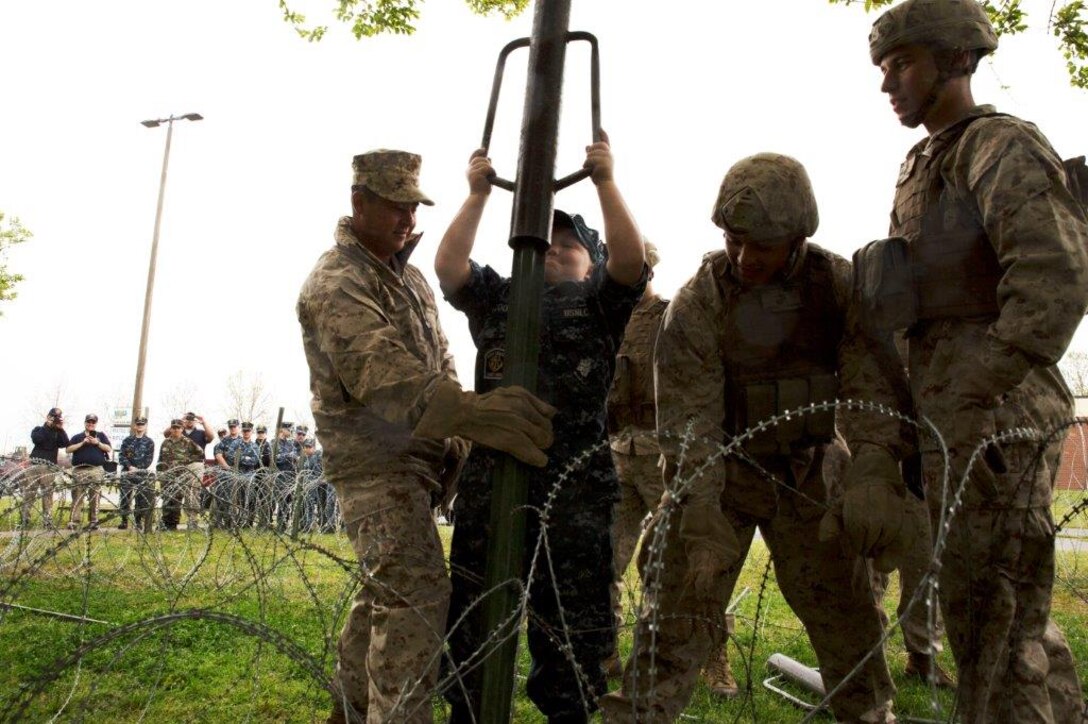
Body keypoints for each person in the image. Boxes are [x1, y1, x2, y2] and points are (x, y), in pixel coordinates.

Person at [601, 153, 915, 723]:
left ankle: (868, 714)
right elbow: (689, 418)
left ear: (797, 238)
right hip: (719, 475)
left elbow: (871, 379)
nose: (745, 258)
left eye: (762, 245)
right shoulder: (700, 301)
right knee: (674, 619)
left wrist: (874, 465)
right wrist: (698, 512)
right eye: (733, 239)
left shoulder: (836, 286)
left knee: (847, 620)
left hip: (810, 470)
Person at [861, 1, 1088, 719]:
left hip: (996, 410)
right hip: (952, 408)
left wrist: (976, 391)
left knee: (991, 613)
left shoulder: (996, 144)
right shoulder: (930, 158)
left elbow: (1053, 275)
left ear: (956, 60)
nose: (887, 83)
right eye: (883, 67)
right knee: (1005, 612)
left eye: (902, 64)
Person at [296, 148, 555, 724]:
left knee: (385, 591)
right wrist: (475, 416)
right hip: (373, 464)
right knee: (414, 594)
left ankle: (349, 708)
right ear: (358, 202)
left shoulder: (409, 278)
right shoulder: (337, 280)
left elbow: (440, 359)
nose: (407, 219)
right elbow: (381, 375)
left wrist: (455, 440)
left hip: (419, 458)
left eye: (412, 207)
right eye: (394, 206)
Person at [436, 134, 646, 723]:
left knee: (571, 630)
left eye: (569, 245)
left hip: (573, 491)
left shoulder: (600, 303)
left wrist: (606, 181)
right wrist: (476, 195)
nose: (552, 250)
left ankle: (568, 712)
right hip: (492, 485)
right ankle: (471, 712)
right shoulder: (500, 297)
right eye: (543, 242)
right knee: (475, 617)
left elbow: (630, 263)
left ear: (591, 261)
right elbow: (450, 268)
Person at [602, 240, 738, 696]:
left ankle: (713, 657)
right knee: (606, 556)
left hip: (664, 453)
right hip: (619, 451)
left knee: (674, 563)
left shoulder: (669, 314)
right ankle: (604, 653)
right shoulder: (609, 319)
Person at [22, 407, 69, 529]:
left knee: (47, 494)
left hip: (49, 467)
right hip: (34, 465)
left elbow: (65, 443)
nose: (54, 419)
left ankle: (47, 520)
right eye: (52, 417)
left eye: (56, 417)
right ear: (48, 416)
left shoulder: (58, 433)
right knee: (29, 492)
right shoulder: (38, 429)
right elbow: (37, 439)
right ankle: (24, 518)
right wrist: (46, 425)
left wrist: (61, 428)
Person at [65, 414, 112, 531]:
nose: (90, 424)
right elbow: (68, 449)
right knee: (77, 495)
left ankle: (94, 521)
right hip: (79, 469)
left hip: (96, 469)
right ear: (85, 423)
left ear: (95, 424)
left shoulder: (100, 436)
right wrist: (82, 443)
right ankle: (74, 521)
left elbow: (108, 448)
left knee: (95, 495)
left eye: (93, 422)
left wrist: (97, 443)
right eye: (88, 422)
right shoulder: (77, 437)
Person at [159, 419, 202, 531]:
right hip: (167, 474)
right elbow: (160, 458)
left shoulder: (187, 442)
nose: (176, 430)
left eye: (178, 428)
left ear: (182, 429)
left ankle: (174, 523)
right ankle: (167, 523)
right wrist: (160, 472)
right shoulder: (165, 442)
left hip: (181, 475)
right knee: (167, 498)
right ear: (171, 429)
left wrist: (187, 460)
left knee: (177, 499)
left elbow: (200, 453)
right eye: (174, 428)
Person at [118, 416, 156, 532]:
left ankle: (138, 521)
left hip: (141, 474)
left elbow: (149, 460)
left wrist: (138, 469)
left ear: (145, 426)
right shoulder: (127, 440)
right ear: (135, 426)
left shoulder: (149, 442)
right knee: (125, 497)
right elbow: (121, 456)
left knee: (140, 499)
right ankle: (124, 520)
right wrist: (130, 467)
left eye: (142, 424)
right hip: (127, 472)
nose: (140, 426)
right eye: (138, 424)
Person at [180, 412, 213, 529]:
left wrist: (204, 422)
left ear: (195, 421)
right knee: (180, 491)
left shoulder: (200, 433)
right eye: (187, 419)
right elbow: (166, 433)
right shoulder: (179, 431)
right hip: (181, 464)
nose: (189, 421)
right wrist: (180, 420)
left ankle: (192, 520)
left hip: (196, 464)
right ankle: (172, 519)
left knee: (194, 492)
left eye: (191, 419)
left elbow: (211, 437)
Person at [272, 421, 300, 532]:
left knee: (289, 502)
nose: (290, 431)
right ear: (282, 430)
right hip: (280, 476)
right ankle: (280, 525)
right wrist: (288, 456)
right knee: (282, 501)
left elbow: (295, 457)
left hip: (291, 476)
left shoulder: (290, 444)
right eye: (288, 429)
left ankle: (285, 523)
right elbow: (275, 458)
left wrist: (291, 457)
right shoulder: (274, 443)